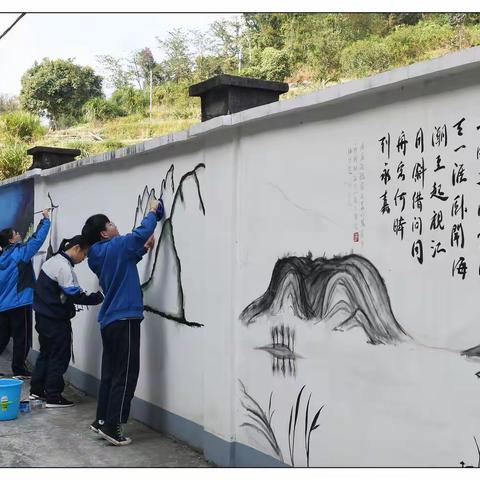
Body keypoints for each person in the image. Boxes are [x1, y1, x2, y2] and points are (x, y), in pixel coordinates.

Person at [81, 198, 163, 446]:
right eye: (111, 224)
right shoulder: (116, 245)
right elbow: (139, 234)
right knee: (126, 373)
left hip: (109, 321)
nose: (115, 225)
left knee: (110, 373)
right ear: (104, 233)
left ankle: (101, 420)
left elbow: (124, 260)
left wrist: (143, 249)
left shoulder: (97, 254)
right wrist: (153, 213)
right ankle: (113, 426)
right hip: (125, 317)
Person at [30, 235, 104, 407]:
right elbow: (75, 294)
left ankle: (37, 390)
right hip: (55, 321)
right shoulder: (63, 267)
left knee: (46, 354)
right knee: (59, 357)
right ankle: (54, 397)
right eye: (84, 254)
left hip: (43, 317)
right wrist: (98, 296)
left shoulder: (52, 261)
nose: (84, 258)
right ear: (77, 248)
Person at [0, 210, 51, 378]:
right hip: (20, 303)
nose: (19, 234)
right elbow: (36, 241)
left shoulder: (2, 257)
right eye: (16, 233)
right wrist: (45, 220)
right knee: (23, 338)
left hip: (3, 305)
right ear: (10, 240)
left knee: (2, 338)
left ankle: (17, 368)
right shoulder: (19, 254)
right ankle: (19, 370)